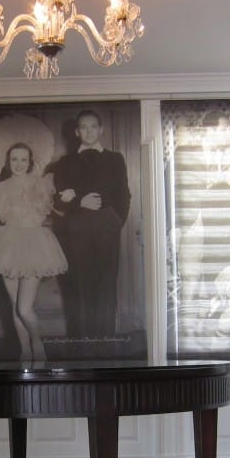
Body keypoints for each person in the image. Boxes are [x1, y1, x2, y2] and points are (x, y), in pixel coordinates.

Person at [0, 142, 67, 362]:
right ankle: (25, 351)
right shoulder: (0, 189)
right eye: (14, 159)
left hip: (34, 245)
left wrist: (65, 200)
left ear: (30, 162)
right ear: (7, 162)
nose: (19, 164)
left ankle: (37, 342)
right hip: (7, 245)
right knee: (14, 305)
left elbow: (58, 208)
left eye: (23, 159)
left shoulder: (41, 185)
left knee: (24, 308)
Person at [51, 110, 131, 340]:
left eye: (93, 126)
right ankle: (82, 341)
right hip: (77, 229)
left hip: (107, 227)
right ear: (77, 132)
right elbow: (58, 199)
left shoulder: (115, 159)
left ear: (100, 129)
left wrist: (116, 222)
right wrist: (79, 202)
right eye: (83, 127)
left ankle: (105, 341)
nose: (88, 131)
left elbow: (124, 195)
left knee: (106, 283)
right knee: (79, 284)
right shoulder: (65, 163)